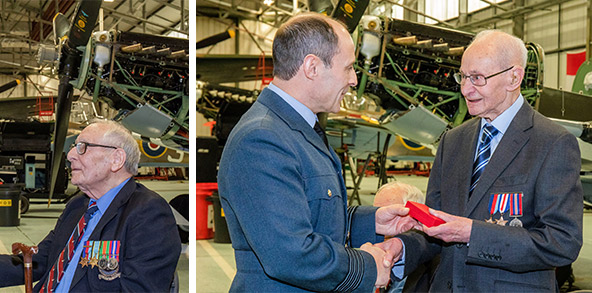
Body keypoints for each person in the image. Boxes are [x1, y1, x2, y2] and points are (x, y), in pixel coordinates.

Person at [217, 12, 418, 292]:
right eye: (348, 67)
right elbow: (290, 254)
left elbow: (311, 214)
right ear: (312, 67)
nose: (353, 79)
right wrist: (368, 267)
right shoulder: (262, 138)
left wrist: (371, 220)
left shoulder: (296, 127)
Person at [377, 30, 583, 292]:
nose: (465, 89)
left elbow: (561, 243)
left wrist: (473, 234)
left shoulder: (552, 143)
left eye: (477, 78)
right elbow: (435, 227)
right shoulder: (452, 141)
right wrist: (401, 247)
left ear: (514, 77)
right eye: (462, 77)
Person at [0, 120, 181, 292]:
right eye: (73, 148)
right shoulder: (78, 205)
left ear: (116, 159)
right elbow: (44, 259)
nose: (70, 156)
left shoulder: (148, 213)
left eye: (83, 147)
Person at [372, 182, 428, 293]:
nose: (380, 222)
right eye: (376, 213)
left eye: (390, 214)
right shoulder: (374, 253)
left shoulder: (421, 275)